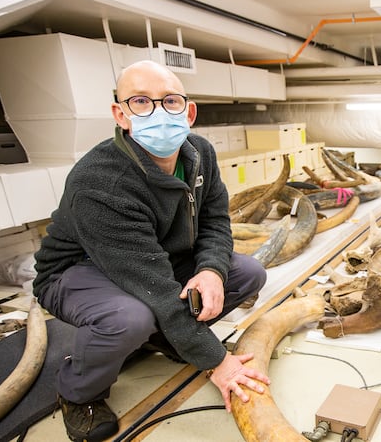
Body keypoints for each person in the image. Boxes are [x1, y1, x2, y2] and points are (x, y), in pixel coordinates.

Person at [32, 60, 269, 441]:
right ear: (120, 114)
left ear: (188, 112)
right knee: (129, 316)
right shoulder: (100, 183)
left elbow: (215, 222)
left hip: (153, 260)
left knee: (245, 272)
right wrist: (219, 363)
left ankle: (165, 337)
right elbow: (153, 287)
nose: (159, 112)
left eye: (170, 101)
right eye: (141, 101)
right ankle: (79, 392)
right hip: (80, 271)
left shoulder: (199, 154)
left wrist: (210, 270)